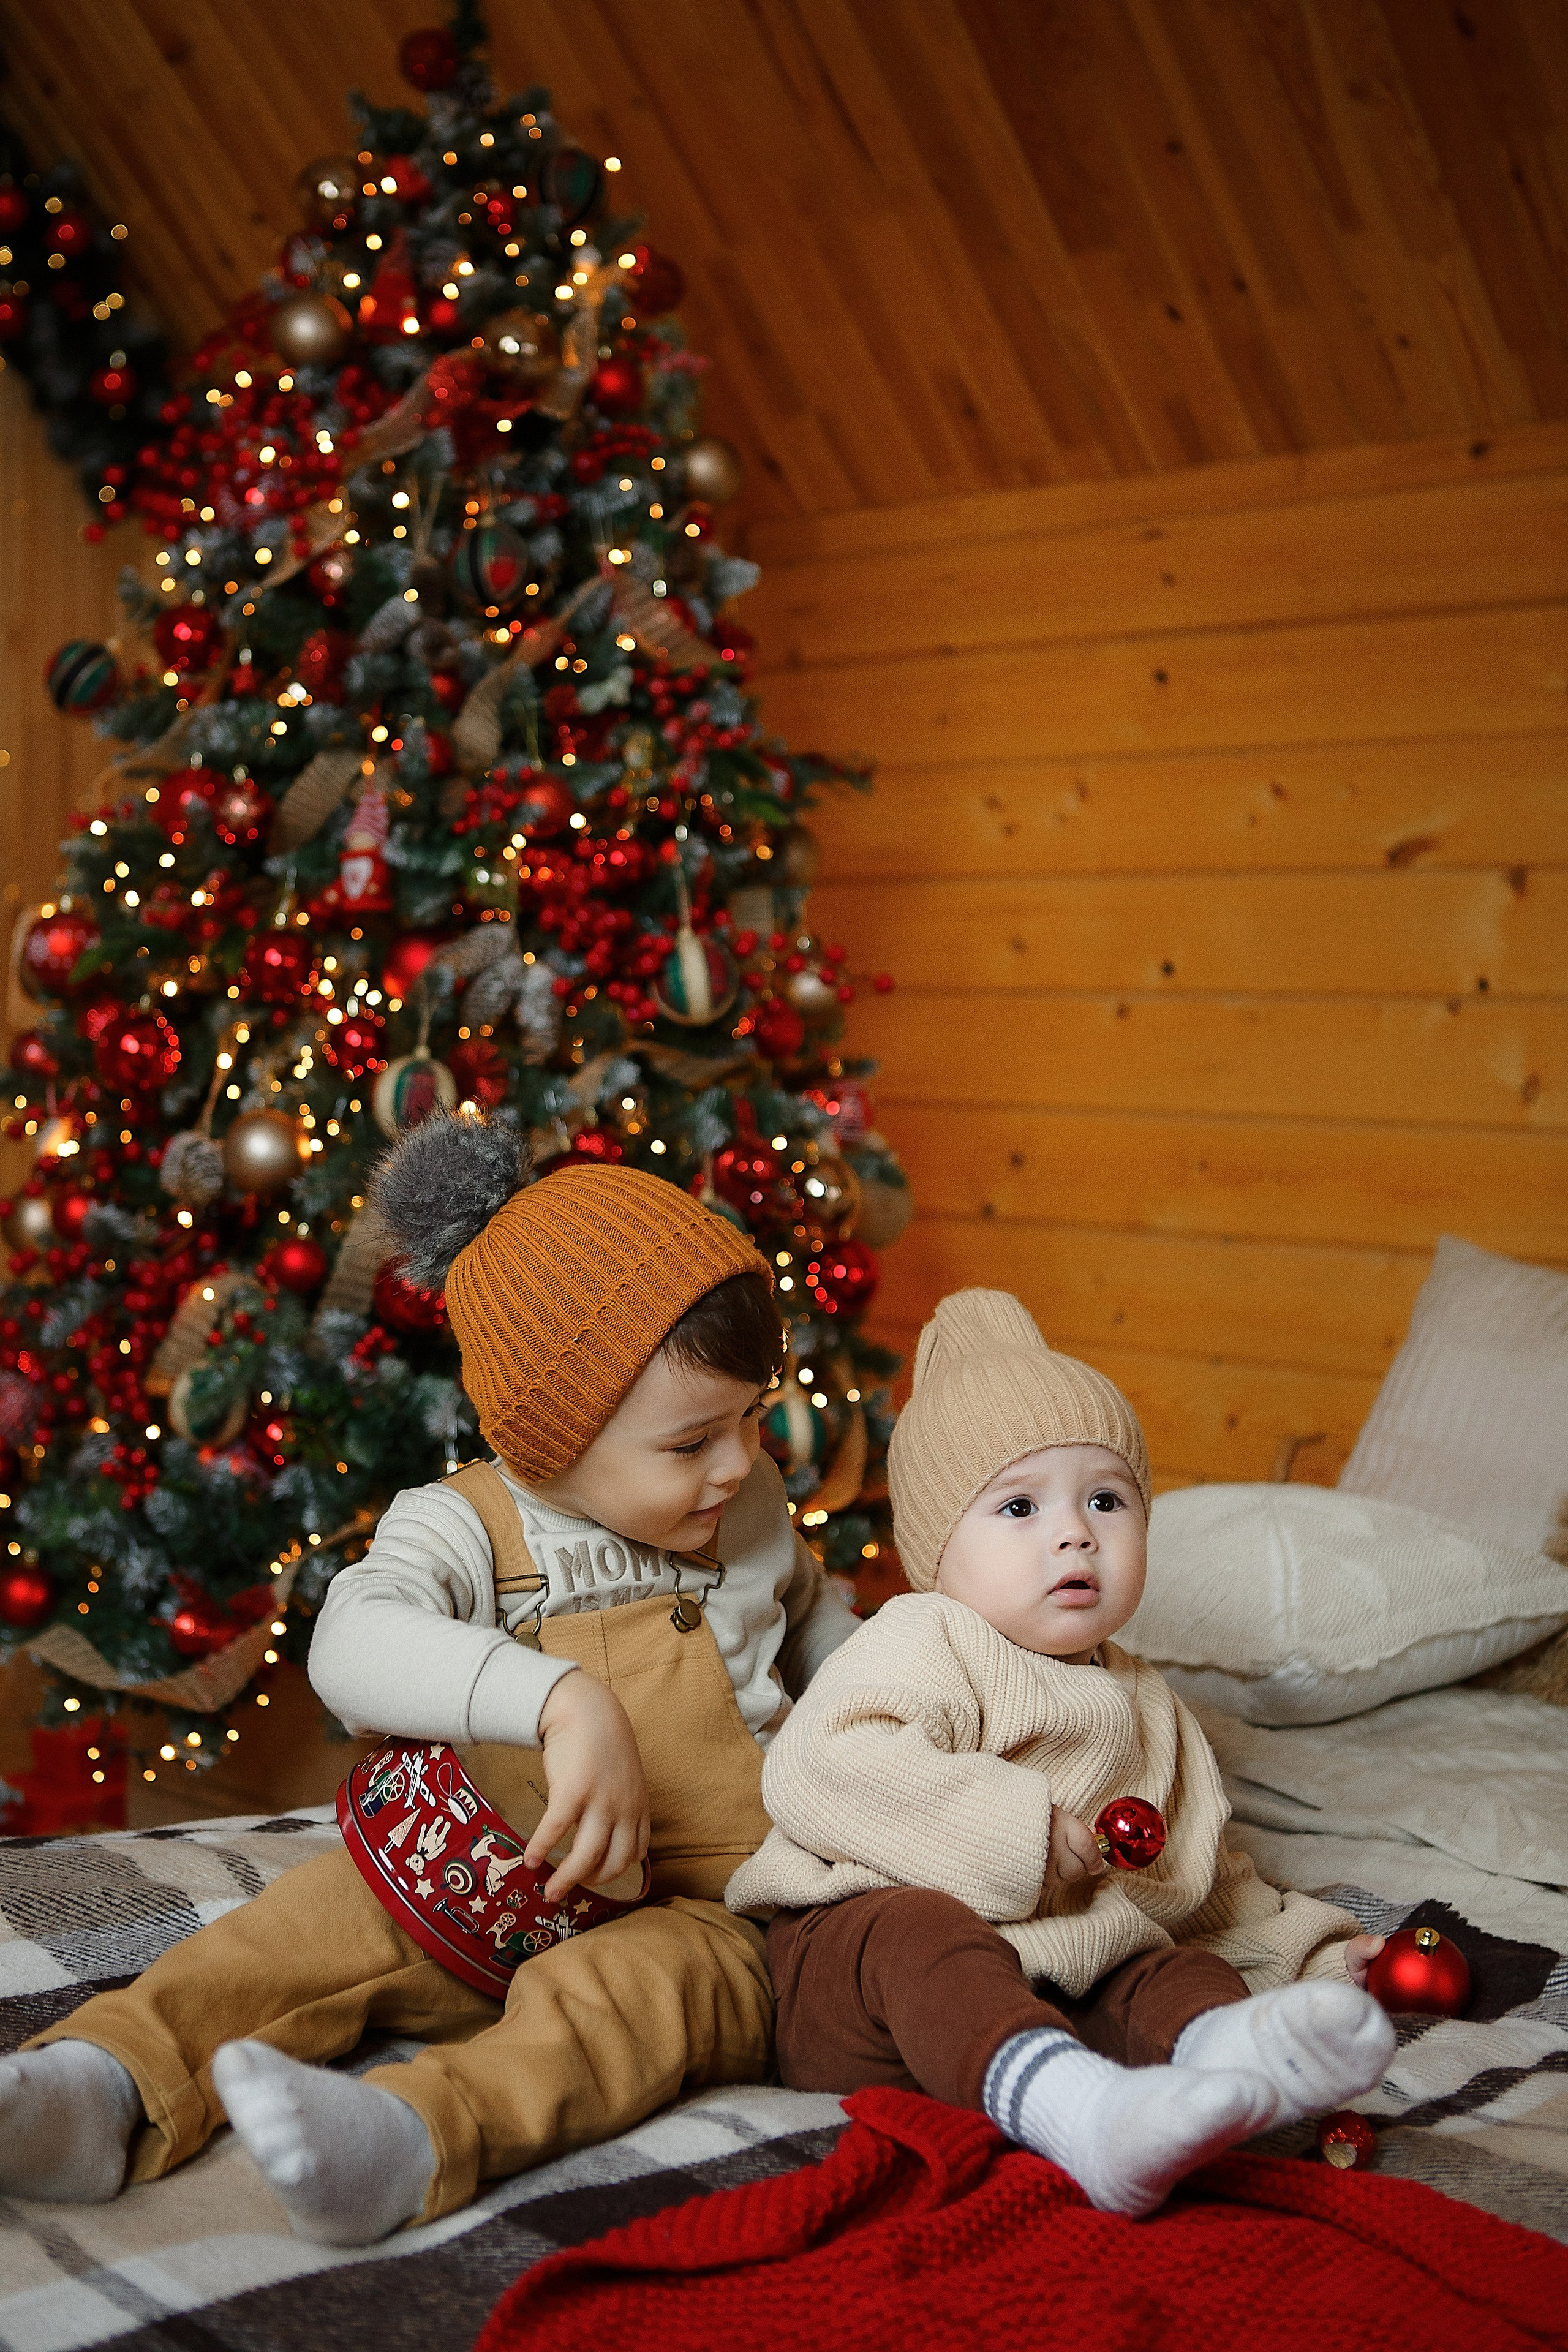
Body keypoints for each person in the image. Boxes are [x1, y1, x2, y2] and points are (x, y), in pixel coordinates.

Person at [0, 1118, 858, 2243]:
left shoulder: (748, 1507)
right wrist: (558, 1699)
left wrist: (887, 1704)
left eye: (751, 1415)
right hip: (476, 1882)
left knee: (627, 2004)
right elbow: (350, 1644)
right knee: (303, 1929)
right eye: (692, 1443)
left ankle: (412, 2137)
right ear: (552, 1438)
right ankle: (105, 2082)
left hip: (712, 1901)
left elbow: (819, 1625)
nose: (741, 1461)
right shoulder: (467, 1522)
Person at [727, 1289, 1395, 2217]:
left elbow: (1199, 1881)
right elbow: (819, 1767)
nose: (1076, 1531)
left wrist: (1309, 1958)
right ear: (937, 1551)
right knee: (924, 1933)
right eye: (1019, 1506)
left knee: (1163, 1966)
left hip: (1053, 1982)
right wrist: (1020, 1833)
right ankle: (1072, 2109)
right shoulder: (924, 1638)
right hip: (858, 1980)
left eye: (1106, 1499)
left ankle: (1230, 2058)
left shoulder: (1148, 1703)